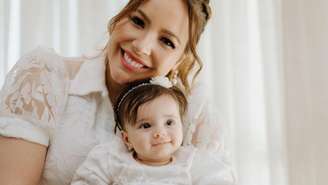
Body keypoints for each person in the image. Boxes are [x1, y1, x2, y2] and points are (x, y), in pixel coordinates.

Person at [0, 0, 235, 185]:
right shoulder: (45, 76)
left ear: (180, 59)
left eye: (166, 41)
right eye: (138, 21)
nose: (142, 46)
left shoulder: (195, 114)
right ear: (120, 17)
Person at [71, 77, 231, 185]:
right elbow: (86, 180)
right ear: (127, 139)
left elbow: (217, 178)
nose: (160, 133)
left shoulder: (191, 161)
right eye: (146, 126)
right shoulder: (114, 159)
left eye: (169, 122)